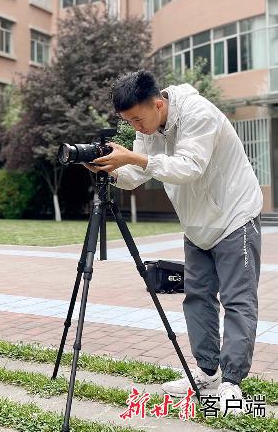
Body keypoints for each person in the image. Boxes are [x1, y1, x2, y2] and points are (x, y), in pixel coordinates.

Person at [85, 70, 262, 414]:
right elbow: (137, 175)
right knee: (197, 298)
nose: (136, 128)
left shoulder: (199, 113)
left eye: (137, 119)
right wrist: (108, 169)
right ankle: (208, 373)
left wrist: (133, 157)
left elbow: (189, 167)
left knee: (237, 299)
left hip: (234, 215)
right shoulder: (149, 129)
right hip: (196, 224)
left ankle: (232, 383)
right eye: (128, 122)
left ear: (157, 104)